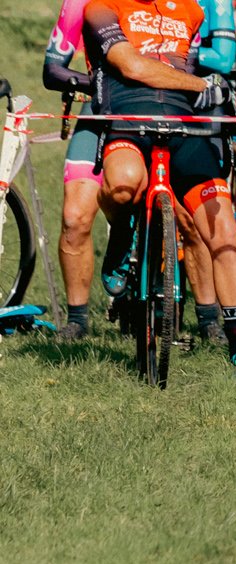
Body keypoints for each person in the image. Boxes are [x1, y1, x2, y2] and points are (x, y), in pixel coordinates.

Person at [80, 0, 236, 368]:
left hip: (187, 125)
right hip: (128, 120)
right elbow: (129, 64)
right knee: (124, 184)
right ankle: (121, 238)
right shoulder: (101, 7)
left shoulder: (191, 11)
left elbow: (197, 58)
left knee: (223, 230)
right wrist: (200, 85)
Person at [42, 0, 106, 342]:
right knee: (74, 218)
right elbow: (52, 71)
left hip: (157, 109)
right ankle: (78, 319)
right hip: (100, 112)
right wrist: (90, 83)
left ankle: (207, 316)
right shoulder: (81, 3)